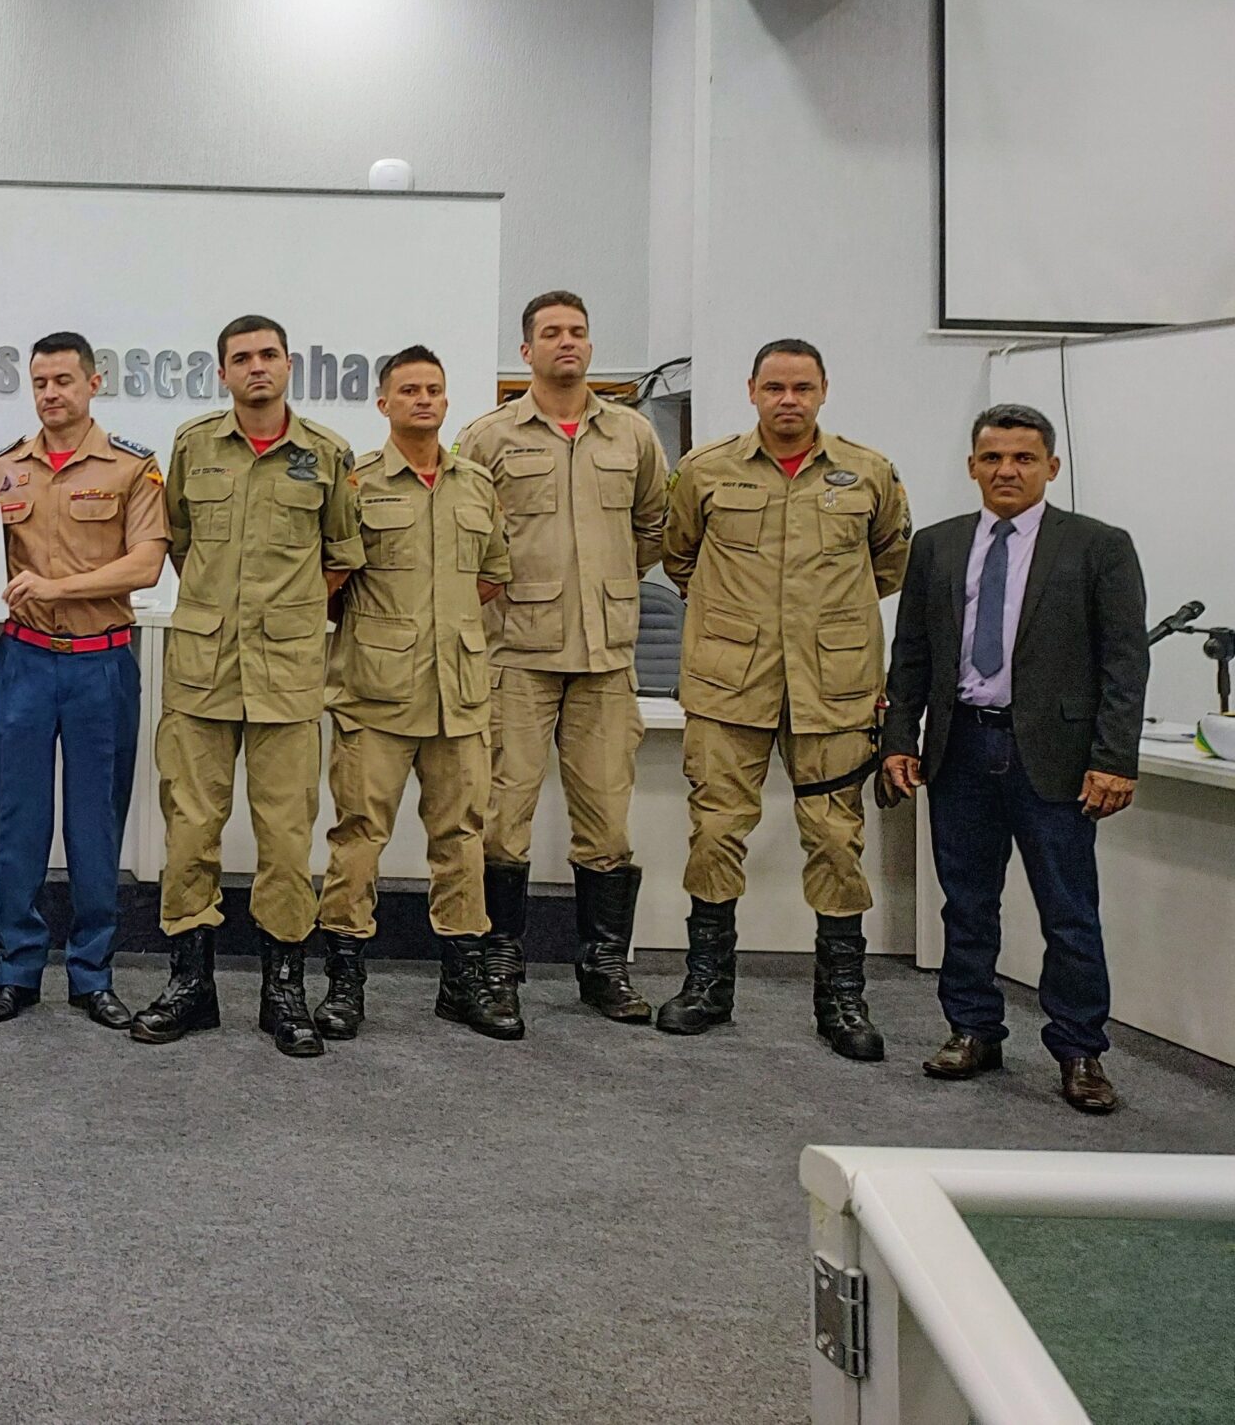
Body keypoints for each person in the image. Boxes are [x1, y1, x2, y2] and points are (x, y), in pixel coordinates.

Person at [883, 404, 1147, 1114]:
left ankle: (1080, 1049)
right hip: (961, 748)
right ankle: (972, 1029)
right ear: (972, 465)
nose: (1007, 470)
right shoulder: (936, 546)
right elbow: (911, 653)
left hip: (1054, 756)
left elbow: (1125, 662)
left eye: (1024, 458)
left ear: (1051, 467)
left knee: (1069, 911)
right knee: (967, 903)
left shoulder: (1097, 546)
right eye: (993, 457)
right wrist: (900, 737)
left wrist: (1115, 758)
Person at [658, 338, 909, 1058]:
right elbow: (679, 557)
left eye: (802, 387)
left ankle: (842, 999)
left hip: (833, 687)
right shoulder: (705, 470)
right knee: (715, 832)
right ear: (752, 391)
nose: (788, 400)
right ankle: (708, 984)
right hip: (728, 684)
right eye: (775, 387)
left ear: (823, 391)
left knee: (834, 839)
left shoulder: (868, 472)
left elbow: (889, 564)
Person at [131, 315, 362, 1058]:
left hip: (287, 678)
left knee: (287, 839)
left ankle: (282, 990)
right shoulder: (194, 445)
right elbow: (180, 541)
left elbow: (340, 556)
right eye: (242, 358)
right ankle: (191, 985)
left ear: (289, 365)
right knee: (190, 830)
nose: (256, 367)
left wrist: (284, 615)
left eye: (268, 355)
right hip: (201, 673)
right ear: (223, 372)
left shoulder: (328, 454)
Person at [454, 290, 668, 1034]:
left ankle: (603, 967)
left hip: (604, 658)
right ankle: (499, 965)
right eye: (551, 333)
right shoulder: (488, 436)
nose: (567, 342)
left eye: (578, 331)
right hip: (515, 654)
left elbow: (652, 526)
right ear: (527, 351)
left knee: (606, 819)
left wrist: (606, 587)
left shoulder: (632, 434)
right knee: (499, 818)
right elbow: (463, 534)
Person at [0, 332, 167, 1029]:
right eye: (40, 382)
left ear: (93, 383)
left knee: (95, 823)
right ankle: (16, 970)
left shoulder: (133, 466)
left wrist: (56, 586)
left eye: (63, 380)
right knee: (18, 821)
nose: (50, 393)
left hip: (100, 663)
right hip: (22, 660)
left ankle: (91, 973)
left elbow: (145, 565)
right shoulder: (1, 471)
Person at [320, 346, 516, 1041]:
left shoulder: (476, 484)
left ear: (447, 400)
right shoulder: (358, 484)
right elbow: (333, 582)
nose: (423, 399)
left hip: (457, 694)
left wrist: (444, 627)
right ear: (384, 404)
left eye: (433, 389)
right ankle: (344, 981)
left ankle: (461, 982)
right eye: (409, 390)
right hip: (375, 694)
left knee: (462, 837)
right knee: (358, 835)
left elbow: (492, 574)